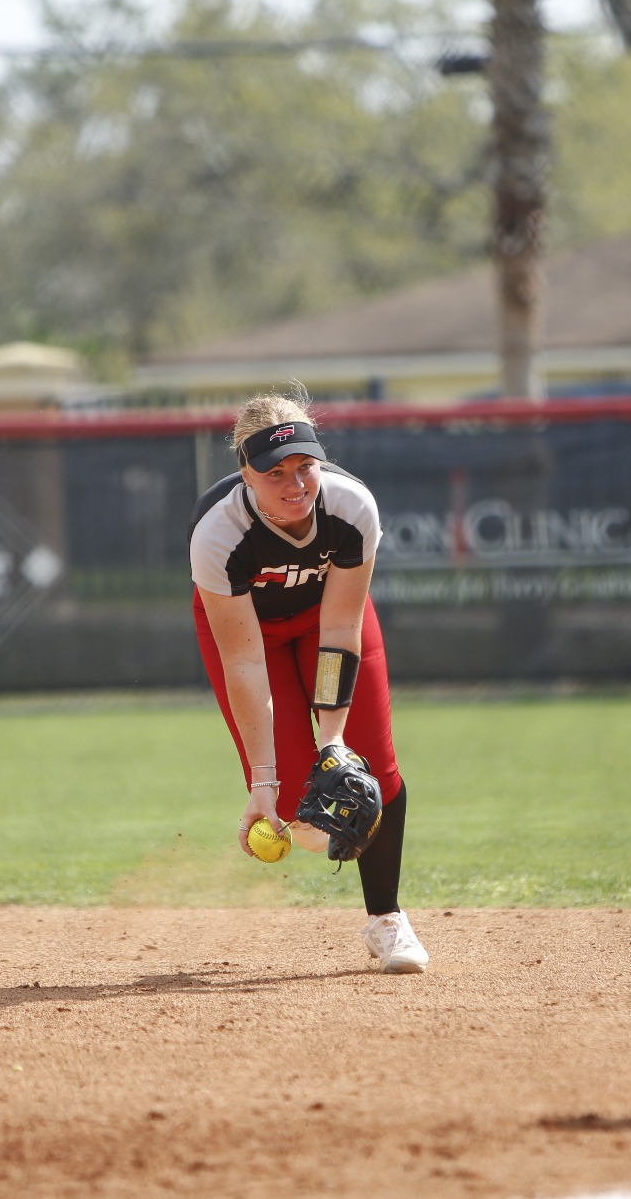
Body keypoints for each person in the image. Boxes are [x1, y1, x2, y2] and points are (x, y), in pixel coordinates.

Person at [188, 392, 427, 973]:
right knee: (312, 824)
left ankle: (387, 921)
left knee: (373, 774)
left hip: (328, 623)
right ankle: (287, 799)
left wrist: (334, 745)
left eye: (305, 467)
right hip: (254, 640)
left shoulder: (351, 508)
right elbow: (244, 664)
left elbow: (341, 628)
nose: (295, 484)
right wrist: (263, 785)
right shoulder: (218, 533)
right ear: (244, 474)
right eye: (275, 474)